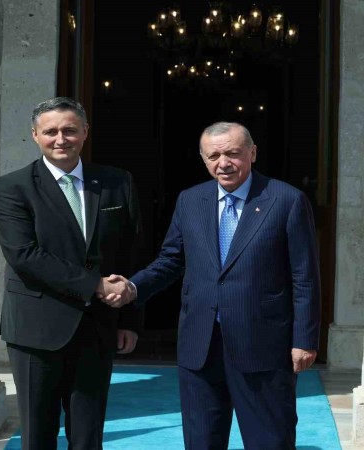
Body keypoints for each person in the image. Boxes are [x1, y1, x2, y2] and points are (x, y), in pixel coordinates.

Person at [105, 122, 321, 449]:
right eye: (214, 156)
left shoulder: (286, 200)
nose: (224, 163)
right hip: (200, 346)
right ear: (204, 159)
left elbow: (304, 277)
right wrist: (133, 288)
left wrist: (304, 340)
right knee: (202, 442)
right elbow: (171, 260)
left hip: (262, 346)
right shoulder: (191, 200)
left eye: (233, 153)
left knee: (270, 441)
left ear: (252, 153)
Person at [0, 97, 141, 450]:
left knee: (88, 437)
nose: (61, 139)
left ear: (85, 132)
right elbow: (24, 255)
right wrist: (95, 285)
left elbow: (131, 252)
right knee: (38, 436)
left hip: (97, 328)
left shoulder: (117, 182)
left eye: (70, 130)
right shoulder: (13, 187)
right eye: (51, 132)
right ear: (35, 135)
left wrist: (130, 320)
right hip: (35, 330)